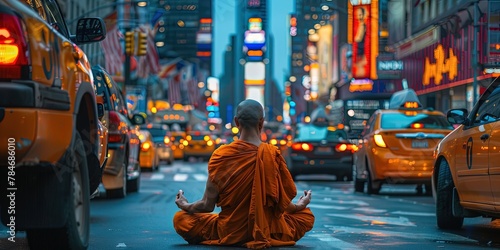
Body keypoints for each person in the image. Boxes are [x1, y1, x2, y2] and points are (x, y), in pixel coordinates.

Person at [173, 99, 315, 249]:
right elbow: (284, 205)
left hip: (229, 230)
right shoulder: (272, 155)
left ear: (236, 122)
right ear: (261, 122)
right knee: (306, 216)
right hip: (269, 230)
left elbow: (207, 206)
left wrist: (185, 205)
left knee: (181, 219)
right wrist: (300, 205)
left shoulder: (221, 155)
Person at [354, 6, 367, 78]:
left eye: (360, 15)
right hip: (360, 48)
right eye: (358, 15)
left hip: (361, 48)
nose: (358, 17)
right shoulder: (360, 25)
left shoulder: (362, 25)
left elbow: (358, 38)